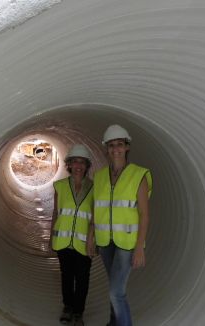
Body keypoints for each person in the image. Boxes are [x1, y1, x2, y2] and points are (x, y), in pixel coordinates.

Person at [87, 125, 152, 326]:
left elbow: (144, 214)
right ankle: (113, 322)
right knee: (113, 287)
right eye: (111, 145)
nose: (116, 149)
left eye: (120, 145)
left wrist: (139, 246)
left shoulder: (138, 175)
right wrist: (91, 235)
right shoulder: (99, 177)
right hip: (106, 242)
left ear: (127, 147)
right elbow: (96, 209)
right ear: (106, 149)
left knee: (117, 292)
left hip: (127, 243)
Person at [50, 144, 94, 326]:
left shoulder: (94, 188)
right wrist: (50, 236)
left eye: (82, 162)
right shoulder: (59, 186)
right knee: (67, 276)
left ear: (87, 166)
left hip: (84, 242)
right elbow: (55, 213)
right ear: (68, 164)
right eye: (75, 161)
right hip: (63, 241)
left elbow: (95, 217)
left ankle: (78, 313)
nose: (78, 166)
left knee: (82, 279)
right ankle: (68, 307)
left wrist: (92, 240)